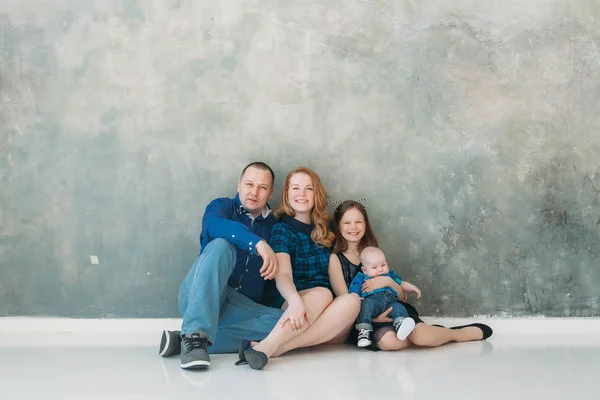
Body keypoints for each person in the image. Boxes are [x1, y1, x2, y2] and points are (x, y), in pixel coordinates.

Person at [158, 162, 283, 369]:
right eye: (249, 184)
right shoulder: (221, 207)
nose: (254, 192)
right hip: (199, 294)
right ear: (239, 185)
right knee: (222, 244)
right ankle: (196, 333)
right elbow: (213, 226)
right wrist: (257, 243)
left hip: (237, 307)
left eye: (262, 187)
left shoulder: (275, 227)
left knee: (286, 324)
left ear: (270, 193)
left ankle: (185, 339)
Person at [235, 167, 361, 369]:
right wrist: (294, 302)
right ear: (286, 194)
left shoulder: (326, 229)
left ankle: (274, 348)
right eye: (295, 188)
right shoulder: (281, 229)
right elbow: (282, 275)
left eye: (308, 189)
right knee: (322, 294)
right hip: (292, 303)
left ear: (316, 194)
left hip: (326, 317)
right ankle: (269, 347)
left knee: (352, 301)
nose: (301, 194)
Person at [328, 200, 492, 351]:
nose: (353, 227)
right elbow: (346, 305)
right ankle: (432, 333)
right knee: (390, 342)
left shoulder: (374, 252)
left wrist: (388, 282)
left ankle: (455, 335)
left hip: (394, 308)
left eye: (358, 222)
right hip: (365, 320)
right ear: (338, 226)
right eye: (347, 222)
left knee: (420, 336)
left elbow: (400, 296)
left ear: (365, 224)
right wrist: (374, 318)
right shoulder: (336, 259)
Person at [349, 246, 422, 347]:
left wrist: (412, 288)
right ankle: (364, 333)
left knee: (399, 307)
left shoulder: (390, 275)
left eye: (383, 265)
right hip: (371, 301)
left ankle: (401, 325)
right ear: (364, 270)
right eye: (374, 267)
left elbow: (401, 283)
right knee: (365, 307)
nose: (380, 270)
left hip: (390, 303)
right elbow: (355, 288)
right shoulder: (361, 277)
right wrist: (354, 296)